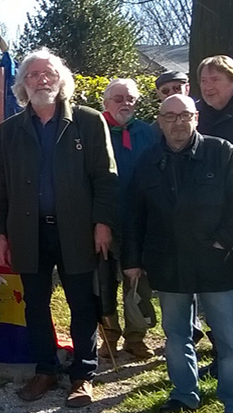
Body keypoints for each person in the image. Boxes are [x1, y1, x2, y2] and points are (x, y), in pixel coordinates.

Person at [0, 49, 119, 407]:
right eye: (32, 75)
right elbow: (0, 185)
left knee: (82, 303)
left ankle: (82, 374)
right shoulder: (8, 131)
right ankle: (45, 370)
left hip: (77, 230)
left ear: (61, 80)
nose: (41, 80)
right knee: (35, 305)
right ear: (22, 85)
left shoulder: (89, 122)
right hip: (28, 233)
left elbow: (106, 179)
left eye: (48, 74)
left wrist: (103, 224)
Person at [123, 95, 233, 413]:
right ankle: (184, 395)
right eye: (170, 117)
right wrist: (131, 260)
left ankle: (230, 398)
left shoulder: (221, 152)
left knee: (227, 338)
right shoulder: (148, 160)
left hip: (217, 263)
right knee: (176, 334)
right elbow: (134, 215)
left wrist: (224, 241)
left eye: (185, 115)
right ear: (159, 121)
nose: (178, 123)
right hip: (168, 262)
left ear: (196, 117)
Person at [99, 79, 156, 360]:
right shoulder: (94, 130)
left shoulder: (147, 132)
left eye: (131, 99)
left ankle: (136, 336)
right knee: (103, 281)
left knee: (138, 282)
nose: (126, 104)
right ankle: (108, 336)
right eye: (119, 98)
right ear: (106, 102)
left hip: (140, 222)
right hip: (104, 221)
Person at [195, 54, 233, 380]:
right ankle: (223, 360)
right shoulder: (196, 117)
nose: (208, 87)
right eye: (204, 80)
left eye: (215, 79)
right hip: (207, 225)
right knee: (216, 300)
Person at [152, 71, 191, 137]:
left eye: (177, 88)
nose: (171, 93)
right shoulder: (151, 132)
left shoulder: (204, 118)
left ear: (187, 89)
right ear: (158, 94)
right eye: (165, 90)